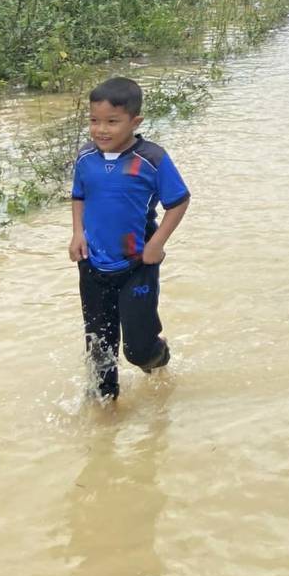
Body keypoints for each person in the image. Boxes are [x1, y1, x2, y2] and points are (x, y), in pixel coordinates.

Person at [69, 77, 190, 402]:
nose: (101, 130)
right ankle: (104, 411)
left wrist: (157, 244)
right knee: (98, 347)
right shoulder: (85, 158)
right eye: (94, 121)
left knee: (138, 350)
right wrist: (77, 233)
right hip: (92, 264)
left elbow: (178, 201)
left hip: (137, 264)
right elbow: (79, 195)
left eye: (112, 122)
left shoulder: (151, 158)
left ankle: (158, 357)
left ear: (135, 122)